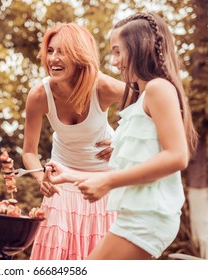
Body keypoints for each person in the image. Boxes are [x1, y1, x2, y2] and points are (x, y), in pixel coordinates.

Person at [43, 12, 198, 260]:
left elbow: (177, 156)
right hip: (133, 216)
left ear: (140, 48)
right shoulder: (143, 98)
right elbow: (138, 165)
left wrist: (107, 183)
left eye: (118, 52)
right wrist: (71, 175)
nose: (114, 62)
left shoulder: (159, 88)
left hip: (147, 219)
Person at [22, 23, 125, 260]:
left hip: (104, 180)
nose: (53, 59)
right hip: (62, 180)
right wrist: (42, 178)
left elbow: (149, 103)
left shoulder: (102, 86)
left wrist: (122, 140)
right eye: (50, 51)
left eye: (62, 51)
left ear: (80, 56)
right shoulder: (39, 95)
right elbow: (29, 151)